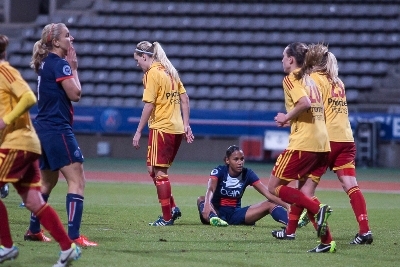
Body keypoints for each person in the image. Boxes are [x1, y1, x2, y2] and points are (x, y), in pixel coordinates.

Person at [0, 34, 81, 266]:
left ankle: (6, 246)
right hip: (25, 142)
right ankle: (67, 248)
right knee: (35, 201)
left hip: (19, 143)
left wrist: (6, 120)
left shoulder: (5, 71)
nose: (70, 38)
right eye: (66, 34)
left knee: (68, 182)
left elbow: (27, 97)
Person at [24, 23, 97, 246]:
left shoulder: (44, 63)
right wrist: (74, 67)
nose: (71, 39)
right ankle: (74, 236)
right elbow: (76, 93)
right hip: (57, 128)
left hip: (43, 128)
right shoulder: (60, 65)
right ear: (55, 42)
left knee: (48, 182)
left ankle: (34, 230)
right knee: (77, 180)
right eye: (67, 36)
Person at [296, 43, 373, 244]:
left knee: (304, 186)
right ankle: (365, 231)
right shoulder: (339, 82)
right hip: (346, 139)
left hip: (326, 141)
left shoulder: (314, 79)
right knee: (351, 185)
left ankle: (296, 224)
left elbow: (313, 108)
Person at [268, 42, 336, 253]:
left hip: (304, 143)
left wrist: (286, 117)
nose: (281, 60)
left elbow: (304, 103)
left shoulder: (292, 78)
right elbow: (316, 108)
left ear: (290, 59)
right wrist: (294, 120)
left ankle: (319, 209)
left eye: (283, 56)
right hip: (322, 143)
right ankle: (327, 242)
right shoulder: (311, 80)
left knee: (274, 187)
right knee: (304, 193)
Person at [132, 41, 194, 226]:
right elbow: (185, 99)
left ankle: (167, 217)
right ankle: (173, 208)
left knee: (159, 172)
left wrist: (138, 131)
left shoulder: (152, 73)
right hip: (175, 128)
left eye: (138, 60)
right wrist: (186, 125)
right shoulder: (170, 71)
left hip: (162, 127)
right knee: (153, 169)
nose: (137, 64)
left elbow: (149, 104)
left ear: (145, 56)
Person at [197, 145, 289, 227]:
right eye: (236, 159)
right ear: (227, 160)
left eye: (242, 159)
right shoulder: (219, 171)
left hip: (236, 214)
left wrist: (288, 206)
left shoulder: (248, 173)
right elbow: (211, 188)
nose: (240, 162)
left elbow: (268, 193)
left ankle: (292, 221)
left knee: (270, 203)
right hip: (216, 211)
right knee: (201, 199)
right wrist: (207, 204)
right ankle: (214, 219)